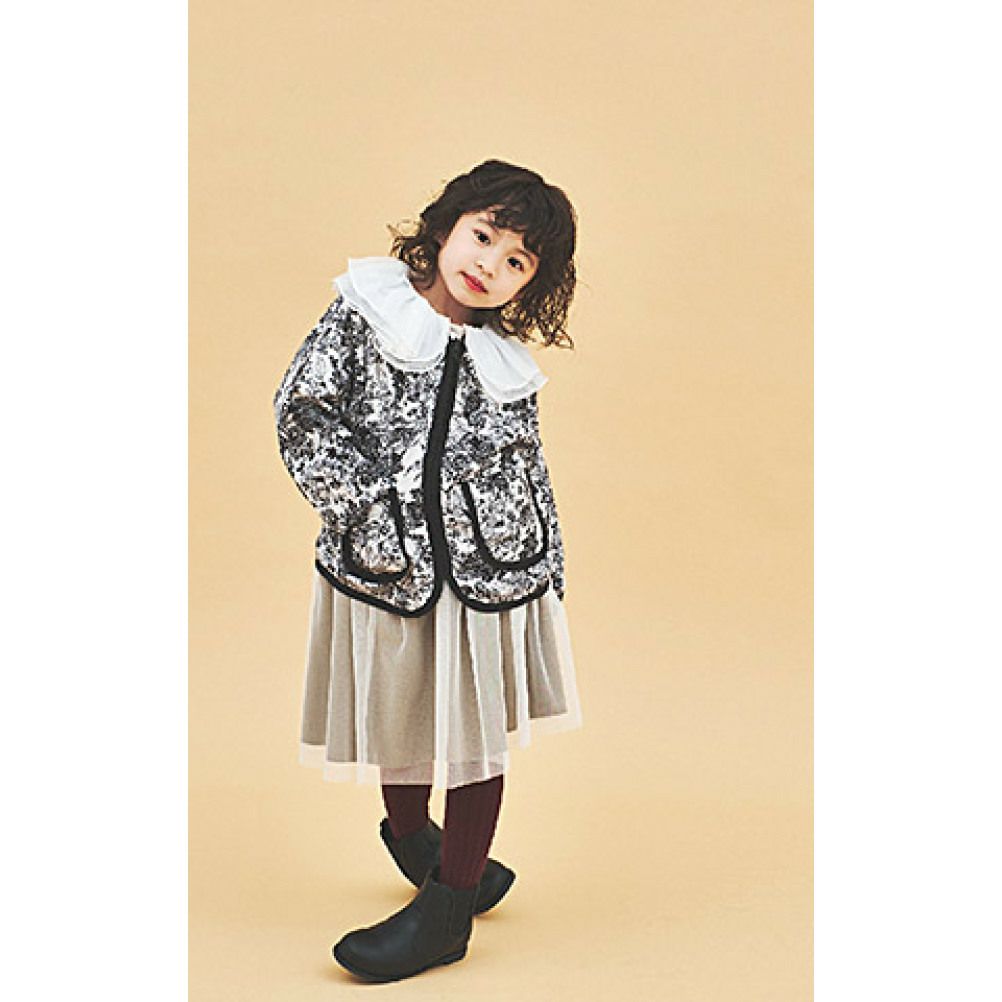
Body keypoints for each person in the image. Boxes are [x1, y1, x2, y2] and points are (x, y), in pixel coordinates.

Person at [272, 159, 584, 982]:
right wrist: (368, 510)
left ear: (530, 283)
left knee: (476, 736)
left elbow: (529, 466)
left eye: (517, 260)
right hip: (387, 561)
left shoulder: (505, 363)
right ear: (445, 227)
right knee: (400, 713)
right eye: (483, 236)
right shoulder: (365, 313)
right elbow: (302, 412)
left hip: (489, 570)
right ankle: (417, 840)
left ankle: (449, 909)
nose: (490, 263)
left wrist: (548, 564)